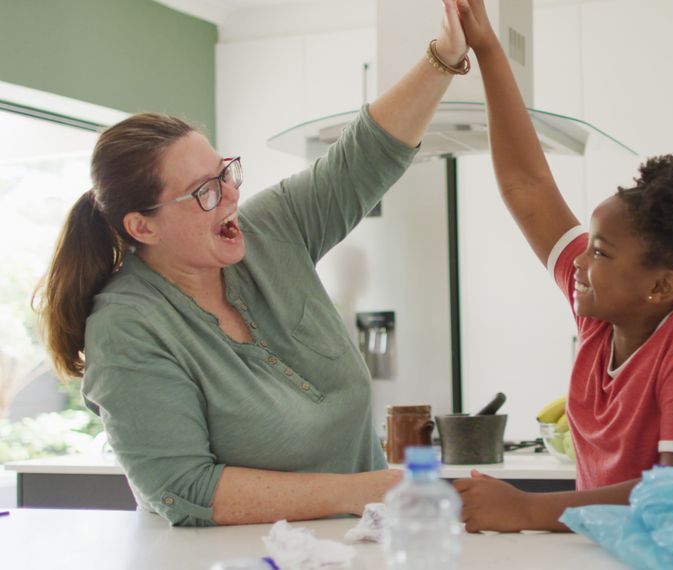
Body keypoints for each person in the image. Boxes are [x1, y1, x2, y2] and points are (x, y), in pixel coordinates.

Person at [35, 0, 471, 527]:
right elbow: (184, 488)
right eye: (202, 192)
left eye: (226, 174)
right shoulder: (128, 328)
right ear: (142, 227)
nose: (228, 197)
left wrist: (444, 55)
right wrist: (368, 489)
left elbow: (363, 157)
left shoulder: (268, 233)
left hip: (358, 545)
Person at [452, 0, 673, 532]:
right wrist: (488, 48)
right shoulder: (603, 314)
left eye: (601, 252)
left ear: (661, 286)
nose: (582, 264)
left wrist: (528, 508)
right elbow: (528, 187)